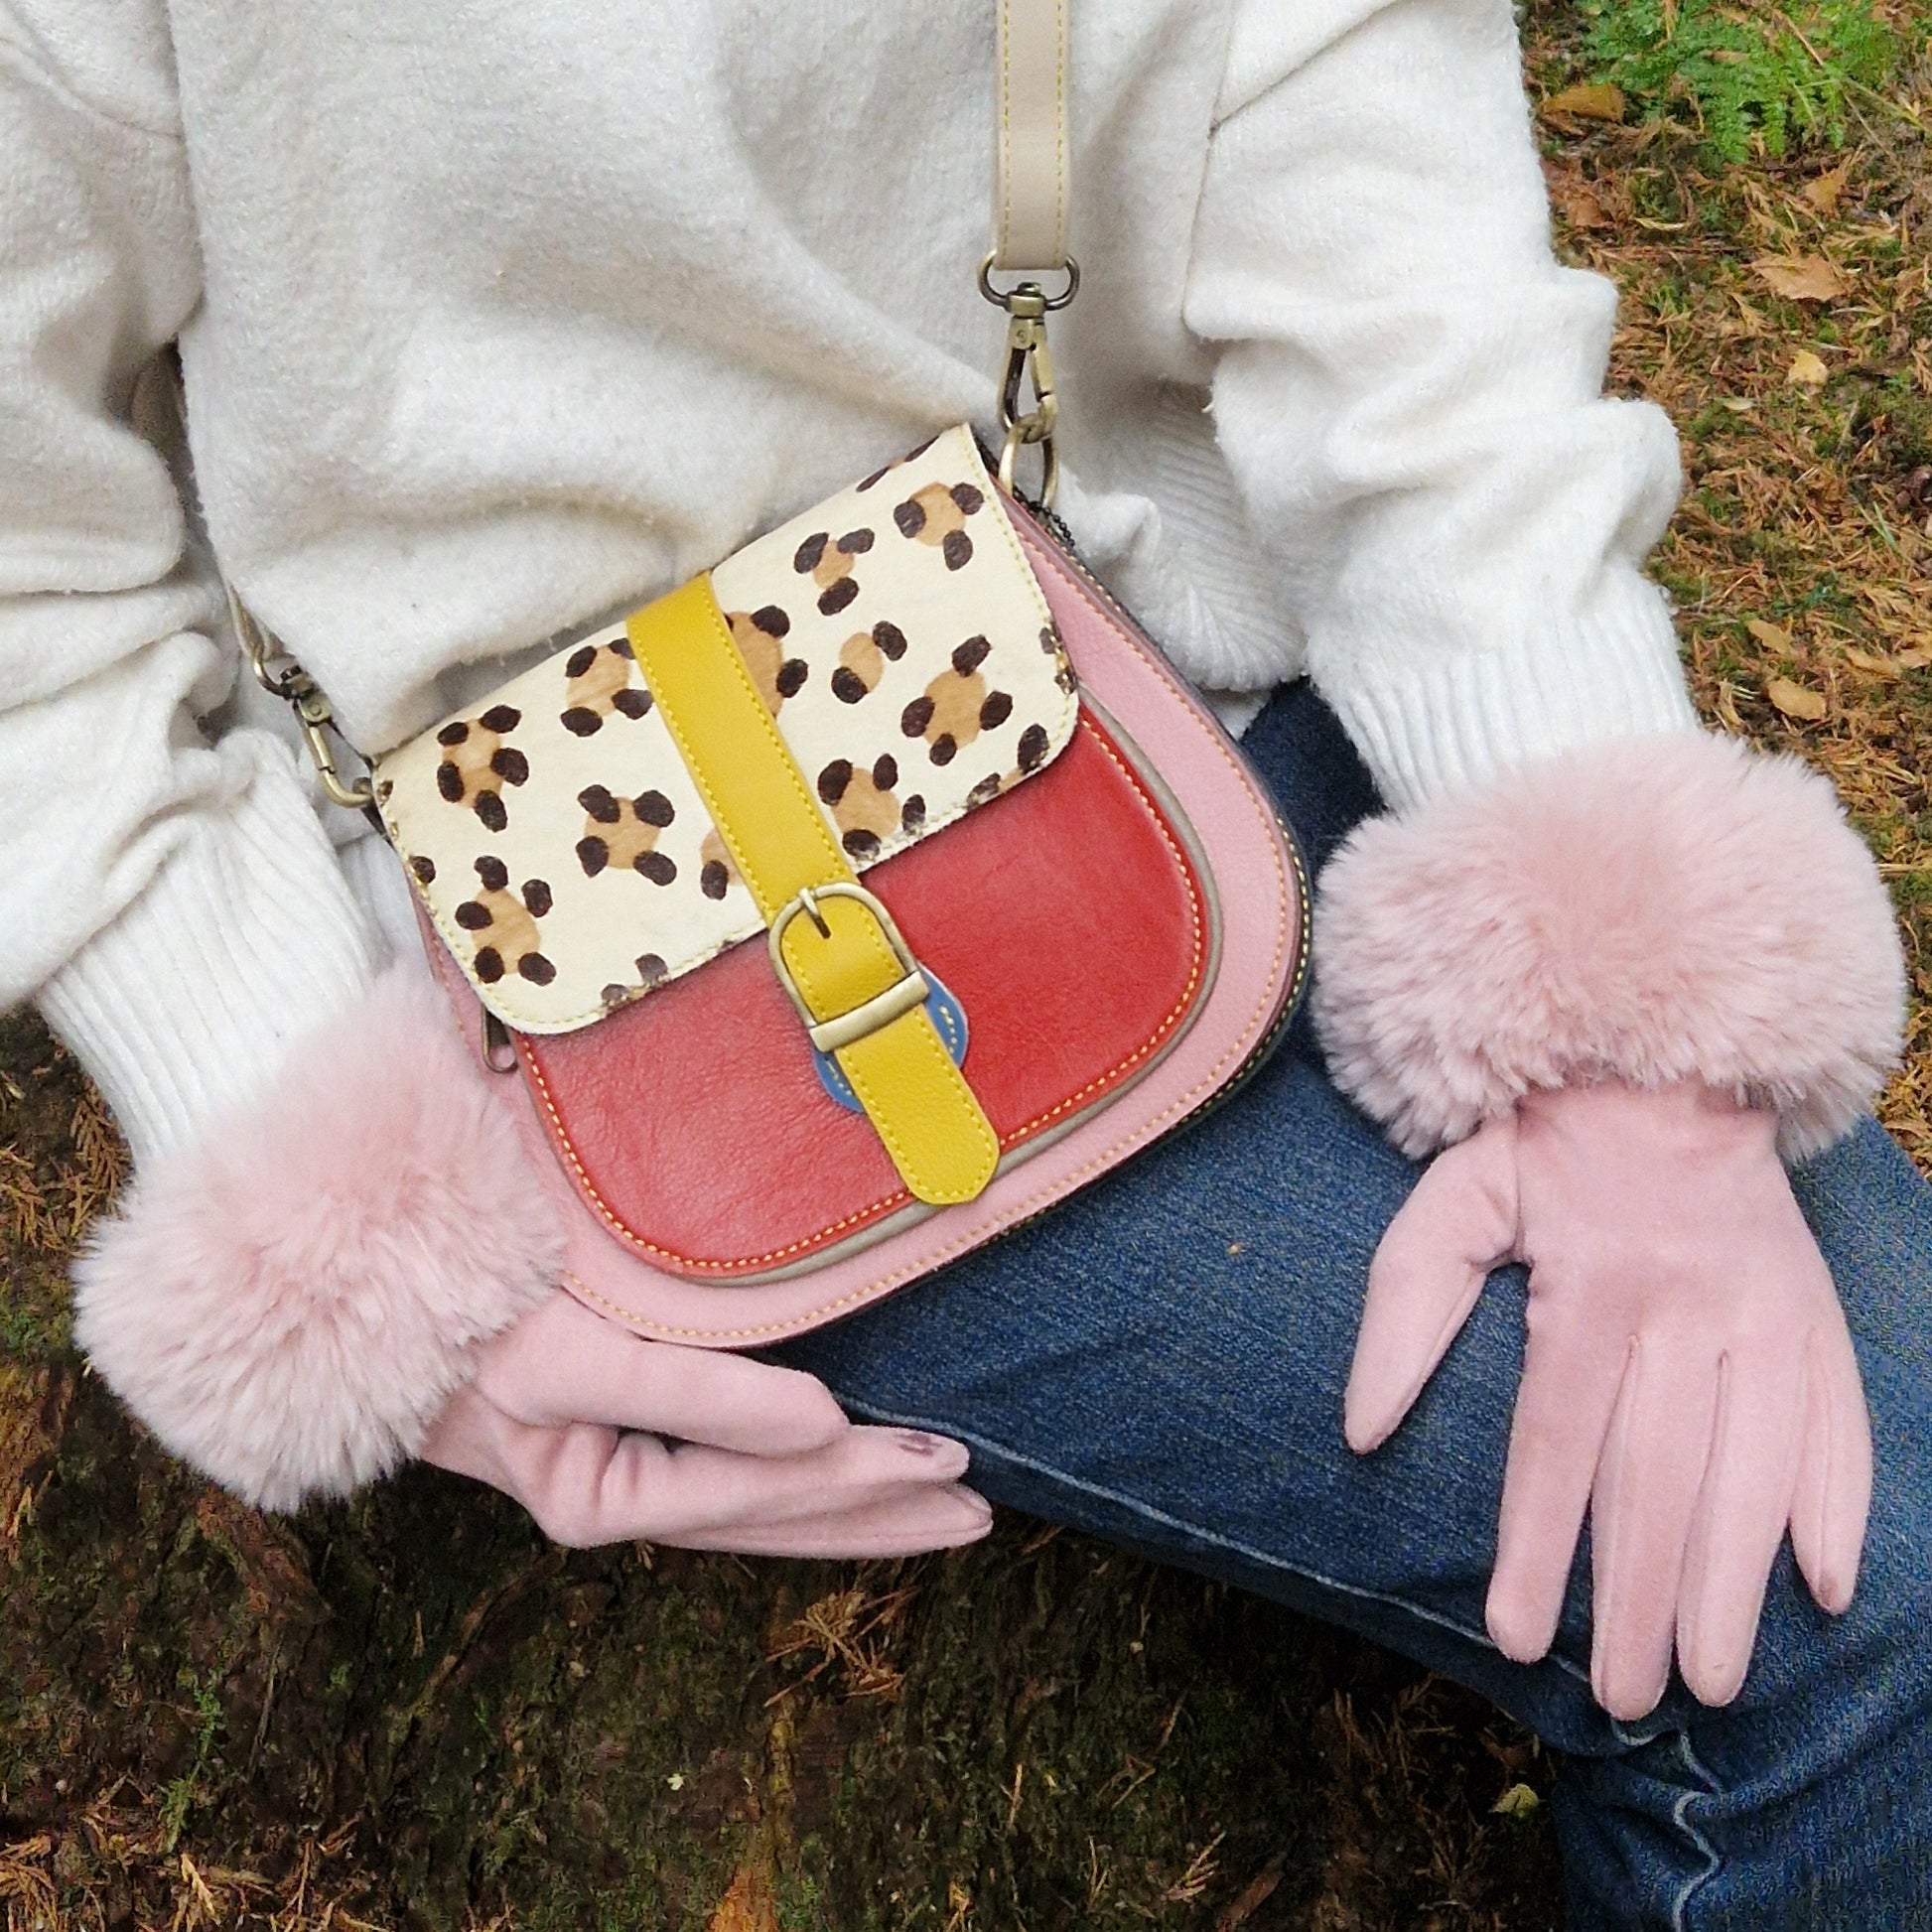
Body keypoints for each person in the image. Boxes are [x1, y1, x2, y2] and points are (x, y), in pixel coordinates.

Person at [1, 0, 1925, 1922]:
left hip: (1159, 658)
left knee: (1858, 1550)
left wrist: (1613, 966)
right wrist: (318, 1177)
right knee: (1852, 1606)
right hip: (573, 973)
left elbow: (1334, 91)